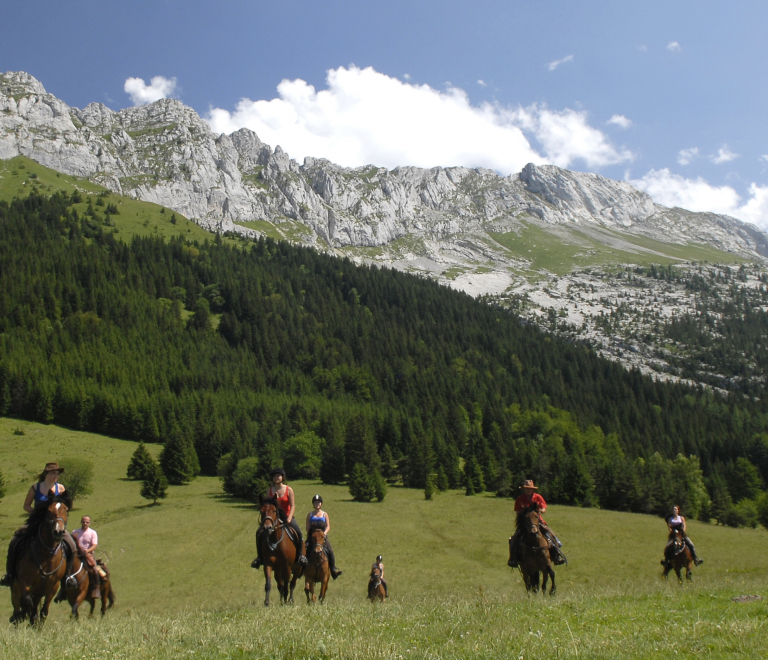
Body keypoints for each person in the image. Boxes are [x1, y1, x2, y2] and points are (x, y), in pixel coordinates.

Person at [1, 462, 78, 589]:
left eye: (57, 474)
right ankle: (10, 575)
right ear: (46, 474)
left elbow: (66, 505)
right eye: (53, 473)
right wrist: (38, 513)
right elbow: (26, 506)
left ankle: (67, 577)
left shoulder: (61, 488)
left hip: (56, 525)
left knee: (72, 545)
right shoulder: (36, 488)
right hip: (36, 523)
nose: (56, 476)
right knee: (15, 541)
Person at [251, 468, 307, 568]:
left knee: (298, 532)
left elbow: (293, 505)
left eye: (278, 476)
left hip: (286, 517)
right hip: (273, 518)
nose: (276, 478)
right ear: (272, 478)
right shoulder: (269, 490)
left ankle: (300, 557)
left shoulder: (289, 490)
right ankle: (259, 558)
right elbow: (267, 506)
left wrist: (289, 518)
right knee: (259, 533)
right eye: (274, 476)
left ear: (282, 477)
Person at [507, 479, 565, 567]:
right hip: (525, 523)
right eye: (526, 488)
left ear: (532, 489)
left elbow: (544, 508)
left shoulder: (538, 497)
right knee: (515, 538)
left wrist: (541, 510)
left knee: (550, 533)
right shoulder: (520, 499)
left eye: (529, 488)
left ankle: (556, 556)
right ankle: (513, 559)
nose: (528, 490)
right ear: (524, 489)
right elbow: (517, 511)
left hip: (537, 521)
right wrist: (524, 513)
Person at [305, 494, 342, 579]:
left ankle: (333, 571)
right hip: (312, 538)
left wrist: (324, 533)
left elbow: (328, 526)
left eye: (318, 502)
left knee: (330, 551)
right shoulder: (310, 514)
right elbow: (307, 527)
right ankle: (301, 569)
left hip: (323, 538)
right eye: (315, 502)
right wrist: (311, 535)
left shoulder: (325, 514)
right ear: (313, 504)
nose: (317, 504)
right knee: (304, 549)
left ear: (321, 504)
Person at [72, 516, 101, 599]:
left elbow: (94, 545)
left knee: (94, 569)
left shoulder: (92, 533)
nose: (85, 523)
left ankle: (96, 588)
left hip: (88, 554)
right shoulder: (75, 532)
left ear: (89, 523)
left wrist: (87, 551)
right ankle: (63, 590)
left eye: (87, 522)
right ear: (81, 522)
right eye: (84, 521)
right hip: (76, 555)